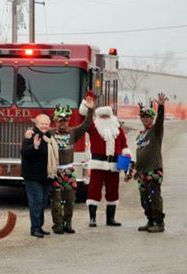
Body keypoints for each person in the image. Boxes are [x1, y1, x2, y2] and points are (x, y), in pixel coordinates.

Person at [49, 95, 95, 234]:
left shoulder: (73, 132)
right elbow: (38, 130)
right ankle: (57, 225)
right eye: (59, 121)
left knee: (70, 200)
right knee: (56, 201)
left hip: (69, 171)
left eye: (65, 121)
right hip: (55, 172)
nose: (62, 123)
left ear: (68, 121)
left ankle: (67, 223)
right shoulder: (50, 133)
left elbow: (86, 125)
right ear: (55, 121)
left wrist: (90, 110)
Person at [81, 102, 131, 227]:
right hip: (98, 164)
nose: (104, 119)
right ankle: (92, 218)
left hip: (114, 164)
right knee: (94, 191)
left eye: (106, 116)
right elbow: (83, 118)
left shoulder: (118, 129)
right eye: (101, 116)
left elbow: (124, 147)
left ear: (111, 117)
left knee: (113, 191)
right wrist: (87, 106)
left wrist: (126, 167)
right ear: (97, 117)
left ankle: (111, 218)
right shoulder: (93, 127)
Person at [126, 93, 167, 233]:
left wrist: (161, 107)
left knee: (154, 196)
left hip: (154, 170)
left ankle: (159, 222)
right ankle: (150, 220)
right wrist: (136, 170)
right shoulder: (141, 134)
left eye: (148, 117)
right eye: (143, 117)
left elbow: (161, 120)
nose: (145, 119)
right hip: (142, 172)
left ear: (152, 118)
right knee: (144, 198)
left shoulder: (156, 131)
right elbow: (140, 152)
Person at [21, 113, 59, 238]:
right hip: (32, 176)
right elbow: (24, 153)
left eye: (46, 124)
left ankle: (39, 227)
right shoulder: (31, 135)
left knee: (43, 202)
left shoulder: (49, 137)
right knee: (36, 202)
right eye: (41, 123)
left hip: (46, 176)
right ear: (36, 124)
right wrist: (34, 146)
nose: (44, 126)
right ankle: (35, 228)